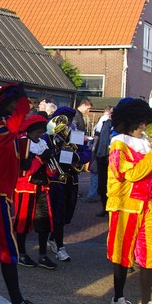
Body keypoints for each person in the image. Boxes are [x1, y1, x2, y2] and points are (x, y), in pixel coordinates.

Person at [0, 83, 45, 304]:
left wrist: (24, 163)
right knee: (7, 248)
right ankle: (18, 301)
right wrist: (23, 104)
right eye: (17, 104)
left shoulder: (6, 127)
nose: (20, 108)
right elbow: (9, 130)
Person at [105, 97, 152, 304]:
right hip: (125, 206)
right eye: (143, 122)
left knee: (150, 254)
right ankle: (117, 299)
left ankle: (146, 302)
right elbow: (129, 174)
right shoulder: (119, 144)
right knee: (122, 253)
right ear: (135, 122)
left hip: (147, 206)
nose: (146, 126)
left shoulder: (147, 145)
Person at [46, 106, 92, 262]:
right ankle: (60, 246)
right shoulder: (49, 135)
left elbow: (86, 153)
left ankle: (53, 238)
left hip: (72, 178)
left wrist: (75, 156)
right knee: (57, 213)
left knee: (67, 214)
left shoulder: (75, 135)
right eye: (64, 120)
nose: (67, 123)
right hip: (56, 179)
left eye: (69, 120)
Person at [14, 115, 56, 270]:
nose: (40, 135)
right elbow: (25, 170)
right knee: (23, 222)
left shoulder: (43, 143)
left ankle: (43, 255)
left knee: (44, 221)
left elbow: (51, 172)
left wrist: (52, 161)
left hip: (42, 187)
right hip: (26, 187)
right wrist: (40, 159)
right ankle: (21, 253)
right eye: (38, 132)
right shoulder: (23, 144)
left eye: (41, 132)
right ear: (30, 131)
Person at [89, 106, 113, 215]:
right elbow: (100, 139)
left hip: (109, 158)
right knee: (102, 184)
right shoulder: (106, 123)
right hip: (102, 156)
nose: (111, 115)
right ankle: (105, 207)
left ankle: (108, 208)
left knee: (108, 185)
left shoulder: (116, 126)